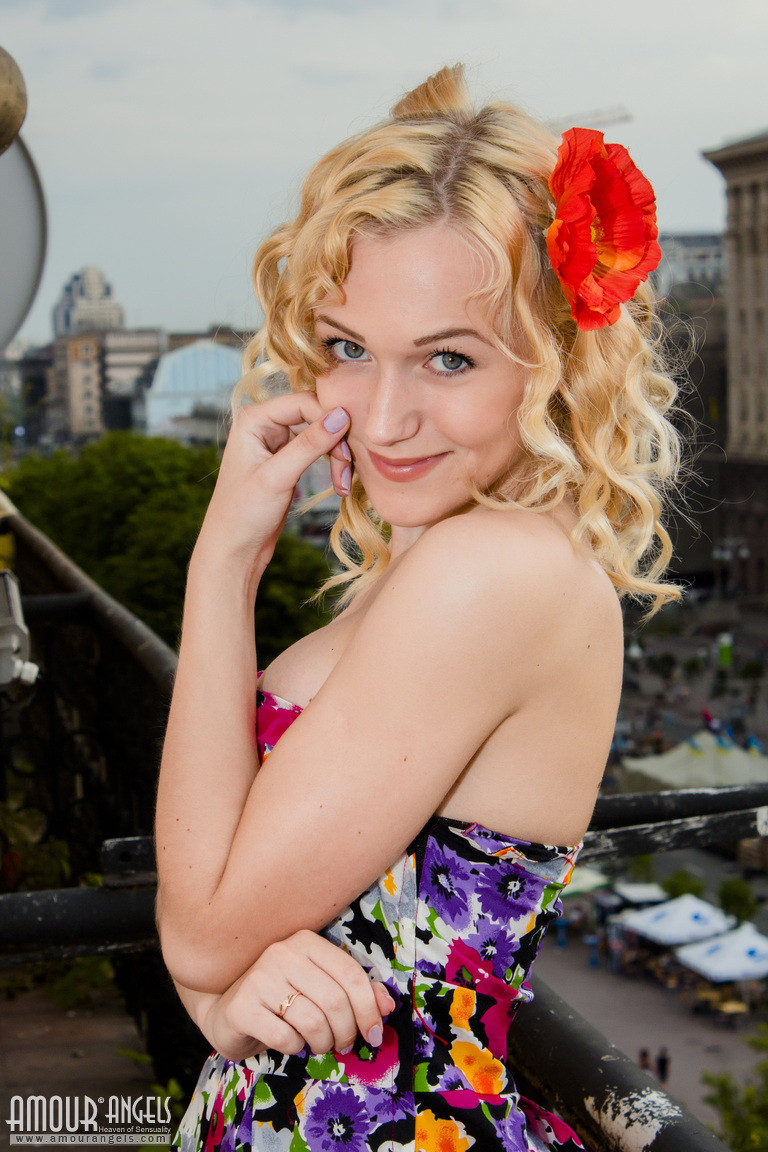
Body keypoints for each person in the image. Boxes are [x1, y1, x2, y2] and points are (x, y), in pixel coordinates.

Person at [156, 64, 681, 1151]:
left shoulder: (493, 571)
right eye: (348, 348)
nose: (386, 418)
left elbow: (199, 932)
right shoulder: (437, 553)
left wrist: (222, 566)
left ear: (555, 358)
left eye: (448, 358)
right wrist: (228, 557)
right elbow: (207, 917)